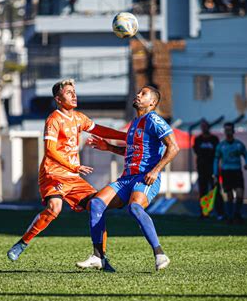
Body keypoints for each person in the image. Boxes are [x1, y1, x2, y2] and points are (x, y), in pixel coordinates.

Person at [7, 79, 126, 270]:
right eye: (69, 92)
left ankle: (100, 257)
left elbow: (101, 130)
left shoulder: (79, 118)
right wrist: (73, 166)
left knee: (98, 206)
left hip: (73, 177)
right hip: (53, 173)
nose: (74, 95)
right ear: (58, 99)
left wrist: (125, 136)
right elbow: (50, 151)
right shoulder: (53, 119)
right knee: (55, 207)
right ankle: (22, 243)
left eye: (74, 91)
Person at [76, 86, 179, 271]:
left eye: (144, 94)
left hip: (144, 177)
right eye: (139, 92)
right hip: (127, 178)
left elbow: (173, 147)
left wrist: (155, 171)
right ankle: (98, 257)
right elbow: (130, 151)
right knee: (96, 204)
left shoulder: (153, 119)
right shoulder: (134, 123)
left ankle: (160, 254)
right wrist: (109, 147)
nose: (138, 95)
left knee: (134, 208)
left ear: (152, 102)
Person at [213, 122, 247, 223]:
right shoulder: (221, 146)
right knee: (229, 196)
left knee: (240, 194)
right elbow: (216, 160)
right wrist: (215, 174)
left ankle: (237, 213)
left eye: (230, 129)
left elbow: (246, 154)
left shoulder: (238, 144)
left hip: (237, 172)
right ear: (224, 131)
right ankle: (229, 216)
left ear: (233, 131)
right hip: (226, 172)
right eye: (226, 130)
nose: (228, 132)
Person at [193, 120, 221, 218]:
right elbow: (197, 151)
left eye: (205, 126)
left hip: (213, 170)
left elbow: (217, 153)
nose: (204, 128)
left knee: (216, 191)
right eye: (202, 126)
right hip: (202, 170)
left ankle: (220, 213)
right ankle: (204, 212)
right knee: (203, 192)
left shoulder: (214, 139)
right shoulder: (198, 139)